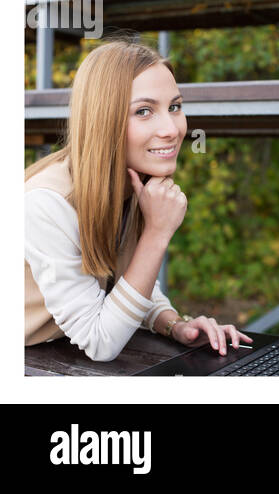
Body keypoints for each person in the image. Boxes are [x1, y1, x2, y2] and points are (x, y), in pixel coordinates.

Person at [25, 40, 251, 363]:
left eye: (174, 107)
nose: (171, 129)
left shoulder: (132, 184)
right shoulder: (46, 204)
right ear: (104, 121)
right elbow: (99, 340)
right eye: (144, 111)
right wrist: (156, 233)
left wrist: (172, 323)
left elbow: (126, 277)